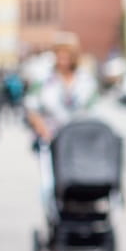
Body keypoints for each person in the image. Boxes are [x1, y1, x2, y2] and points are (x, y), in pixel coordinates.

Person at [24, 32, 98, 225]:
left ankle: (81, 218)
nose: (62, 58)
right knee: (50, 184)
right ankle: (54, 222)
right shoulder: (44, 80)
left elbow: (91, 110)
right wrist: (43, 129)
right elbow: (32, 108)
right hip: (51, 139)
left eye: (67, 54)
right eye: (59, 53)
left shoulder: (85, 80)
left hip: (79, 141)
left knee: (82, 181)